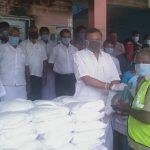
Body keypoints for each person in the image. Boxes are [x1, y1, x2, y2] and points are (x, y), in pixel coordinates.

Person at [73, 28, 120, 150]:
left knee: (106, 132)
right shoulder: (79, 56)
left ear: (101, 40)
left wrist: (113, 88)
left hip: (106, 101)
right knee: (88, 135)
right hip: (86, 102)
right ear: (86, 41)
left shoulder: (107, 57)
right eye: (91, 40)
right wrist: (109, 86)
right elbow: (86, 79)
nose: (95, 42)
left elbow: (115, 78)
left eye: (97, 40)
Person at [114, 49, 150, 150]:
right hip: (137, 140)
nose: (141, 65)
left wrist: (127, 109)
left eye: (145, 62)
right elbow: (138, 105)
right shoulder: (141, 80)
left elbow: (148, 117)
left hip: (146, 143)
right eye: (138, 62)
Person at [0, 27, 30, 101]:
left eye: (16, 36)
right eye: (13, 35)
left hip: (21, 84)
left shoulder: (23, 49)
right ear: (8, 36)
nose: (15, 38)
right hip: (6, 85)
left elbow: (26, 67)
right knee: (7, 108)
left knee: (22, 107)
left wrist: (28, 83)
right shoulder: (2, 48)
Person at [20, 25, 47, 100]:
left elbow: (44, 61)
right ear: (28, 32)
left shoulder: (41, 44)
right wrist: (27, 81)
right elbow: (23, 62)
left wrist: (45, 76)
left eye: (35, 31)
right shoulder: (23, 44)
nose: (34, 32)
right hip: (26, 75)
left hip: (39, 75)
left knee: (38, 97)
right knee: (28, 97)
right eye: (32, 31)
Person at [49, 29, 78, 97]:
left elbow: (78, 63)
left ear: (70, 38)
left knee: (72, 96)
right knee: (60, 96)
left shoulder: (75, 49)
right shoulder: (55, 49)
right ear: (60, 37)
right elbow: (51, 63)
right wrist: (58, 70)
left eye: (68, 37)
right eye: (64, 37)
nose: (66, 39)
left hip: (72, 77)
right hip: (60, 77)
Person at [39, 26, 57, 100]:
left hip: (52, 70)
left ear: (49, 34)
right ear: (40, 34)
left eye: (46, 33)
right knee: (43, 87)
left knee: (51, 87)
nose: (45, 35)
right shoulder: (38, 44)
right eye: (43, 33)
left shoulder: (53, 44)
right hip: (40, 69)